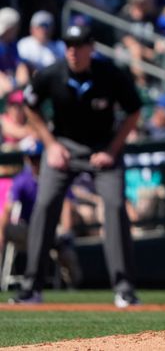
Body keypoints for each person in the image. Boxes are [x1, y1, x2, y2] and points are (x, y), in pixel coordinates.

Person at [13, 25, 142, 307]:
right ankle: (31, 287)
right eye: (69, 44)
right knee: (45, 204)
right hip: (64, 147)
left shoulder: (109, 74)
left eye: (79, 44)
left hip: (102, 149)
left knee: (115, 206)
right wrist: (50, 144)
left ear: (91, 47)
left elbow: (134, 110)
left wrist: (112, 150)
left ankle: (124, 288)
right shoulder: (53, 72)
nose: (73, 50)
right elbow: (29, 105)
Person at [0, 142, 82, 291]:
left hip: (51, 231)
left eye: (37, 158)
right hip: (27, 229)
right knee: (3, 229)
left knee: (66, 251)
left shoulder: (55, 177)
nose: (35, 163)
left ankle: (74, 287)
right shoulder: (22, 180)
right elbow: (7, 210)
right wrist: (1, 234)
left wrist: (65, 231)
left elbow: (67, 206)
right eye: (31, 159)